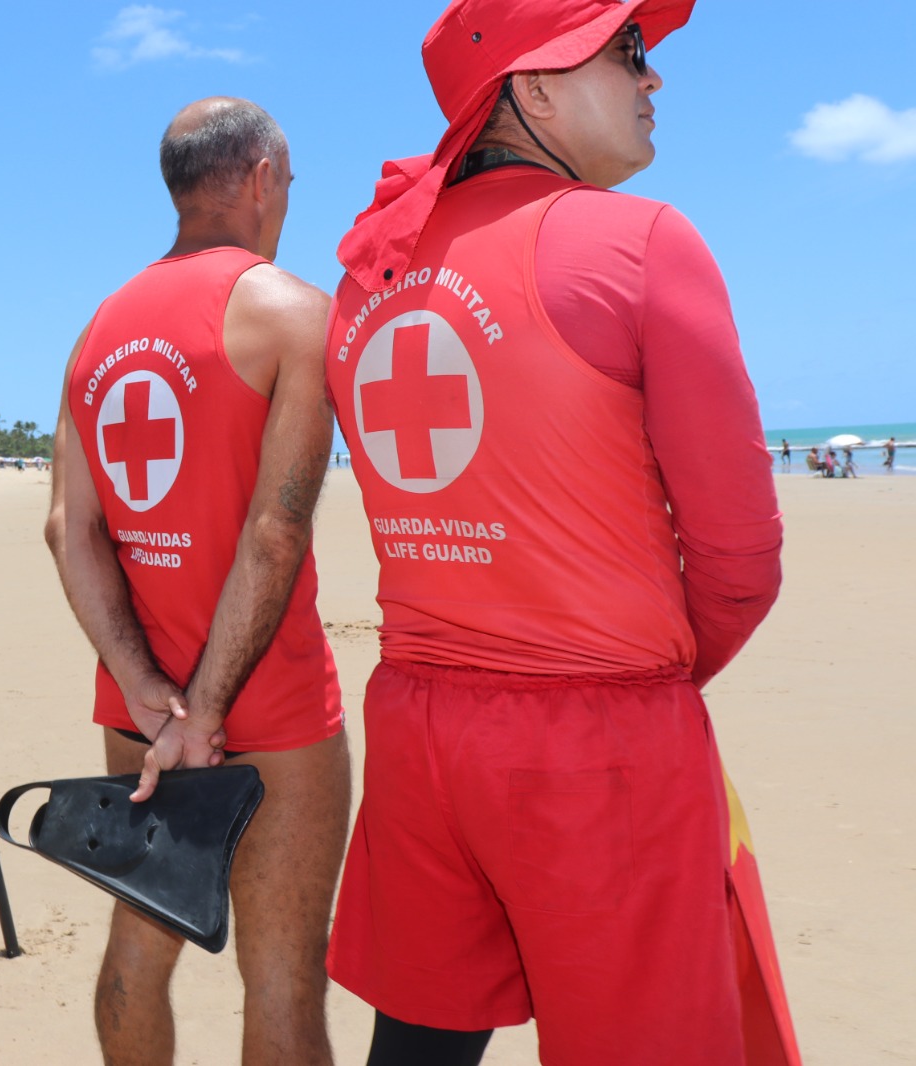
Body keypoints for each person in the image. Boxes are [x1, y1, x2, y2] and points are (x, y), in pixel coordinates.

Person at [321, 2, 793, 1063]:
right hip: (594, 747)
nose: (653, 78)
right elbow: (739, 561)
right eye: (628, 51)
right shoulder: (639, 242)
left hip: (417, 732)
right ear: (532, 90)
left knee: (421, 1047)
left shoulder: (367, 277)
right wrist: (640, 678)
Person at [45, 97, 349, 1065]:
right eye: (287, 183)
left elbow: (68, 530)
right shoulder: (296, 315)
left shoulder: (98, 329)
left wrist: (150, 694)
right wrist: (208, 710)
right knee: (283, 975)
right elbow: (275, 532)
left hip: (140, 708)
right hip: (271, 706)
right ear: (260, 178)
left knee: (139, 945)